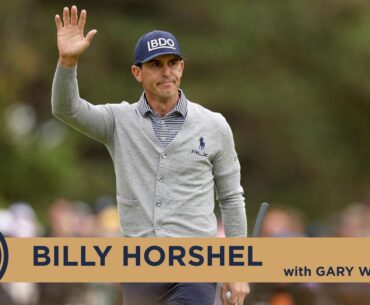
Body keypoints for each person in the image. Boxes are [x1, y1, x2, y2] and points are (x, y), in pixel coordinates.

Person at [52, 5, 249, 305]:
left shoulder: (214, 125)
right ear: (137, 72)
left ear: (182, 67)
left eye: (173, 63)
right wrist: (67, 62)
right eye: (155, 64)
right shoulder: (118, 121)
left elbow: (232, 199)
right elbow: (67, 109)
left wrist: (238, 270)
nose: (166, 71)